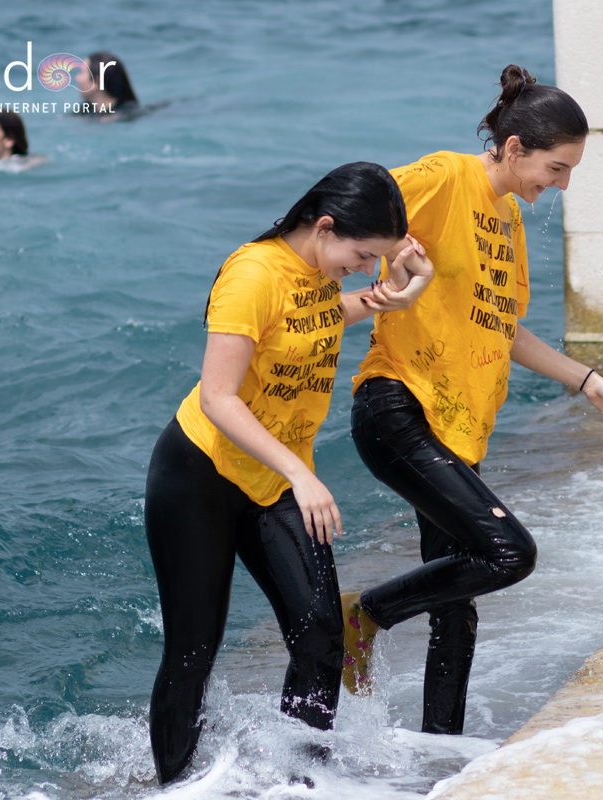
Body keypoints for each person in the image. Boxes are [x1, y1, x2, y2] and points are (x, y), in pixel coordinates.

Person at [342, 65, 603, 736]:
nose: (562, 185)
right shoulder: (445, 178)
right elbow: (342, 216)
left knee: (459, 604)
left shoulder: (506, 218)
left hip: (457, 428)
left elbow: (499, 330)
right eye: (557, 168)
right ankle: (362, 618)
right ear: (514, 148)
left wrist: (590, 383)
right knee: (508, 552)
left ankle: (435, 761)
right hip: (399, 404)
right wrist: (380, 271)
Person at [143, 161, 432, 784]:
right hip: (201, 472)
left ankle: (302, 783)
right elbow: (219, 397)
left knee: (323, 635)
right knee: (193, 652)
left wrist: (393, 297)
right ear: (324, 226)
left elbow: (316, 319)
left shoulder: (316, 270)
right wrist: (301, 474)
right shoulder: (252, 274)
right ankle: (171, 787)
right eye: (360, 255)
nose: (361, 268)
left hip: (273, 477)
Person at [75, 51, 139, 116]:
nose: (77, 78)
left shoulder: (128, 113)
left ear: (97, 81)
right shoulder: (83, 111)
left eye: (81, 72)